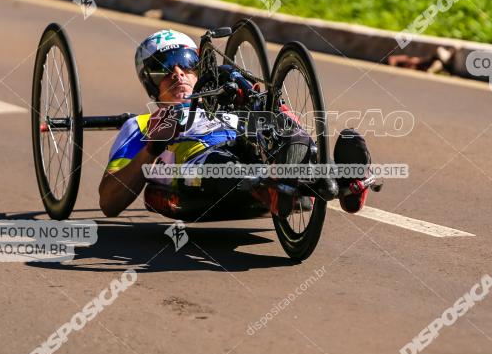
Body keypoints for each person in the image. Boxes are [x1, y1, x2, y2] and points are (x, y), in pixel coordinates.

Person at [98, 29, 371, 219]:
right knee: (223, 163)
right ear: (150, 82)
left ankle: (347, 183)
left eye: (186, 63)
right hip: (202, 169)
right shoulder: (141, 123)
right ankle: (272, 185)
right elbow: (109, 202)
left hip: (252, 147)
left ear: (199, 69)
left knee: (276, 124)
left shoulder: (225, 102)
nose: (177, 73)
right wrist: (151, 149)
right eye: (162, 69)